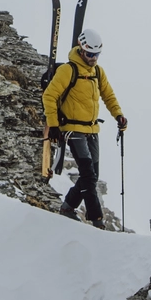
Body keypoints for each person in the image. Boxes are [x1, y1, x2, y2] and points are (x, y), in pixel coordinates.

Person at [43, 30, 126, 224]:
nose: (93, 59)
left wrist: (119, 115)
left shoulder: (98, 72)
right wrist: (54, 125)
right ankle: (96, 220)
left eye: (97, 55)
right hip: (72, 129)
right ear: (81, 50)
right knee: (88, 174)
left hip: (92, 129)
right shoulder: (68, 70)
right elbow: (49, 96)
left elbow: (108, 95)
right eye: (90, 54)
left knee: (92, 175)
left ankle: (68, 207)